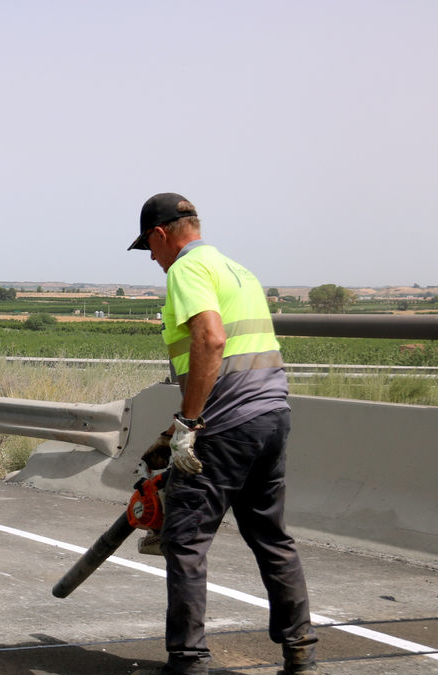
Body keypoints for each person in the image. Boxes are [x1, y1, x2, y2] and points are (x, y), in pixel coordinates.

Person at [128, 193, 318, 675]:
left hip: (226, 424)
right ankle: (301, 651)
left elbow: (212, 339)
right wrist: (179, 420)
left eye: (149, 248)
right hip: (271, 415)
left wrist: (190, 426)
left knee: (186, 540)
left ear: (160, 234)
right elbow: (234, 359)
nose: (153, 259)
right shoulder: (237, 270)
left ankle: (188, 661)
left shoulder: (186, 271)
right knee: (270, 536)